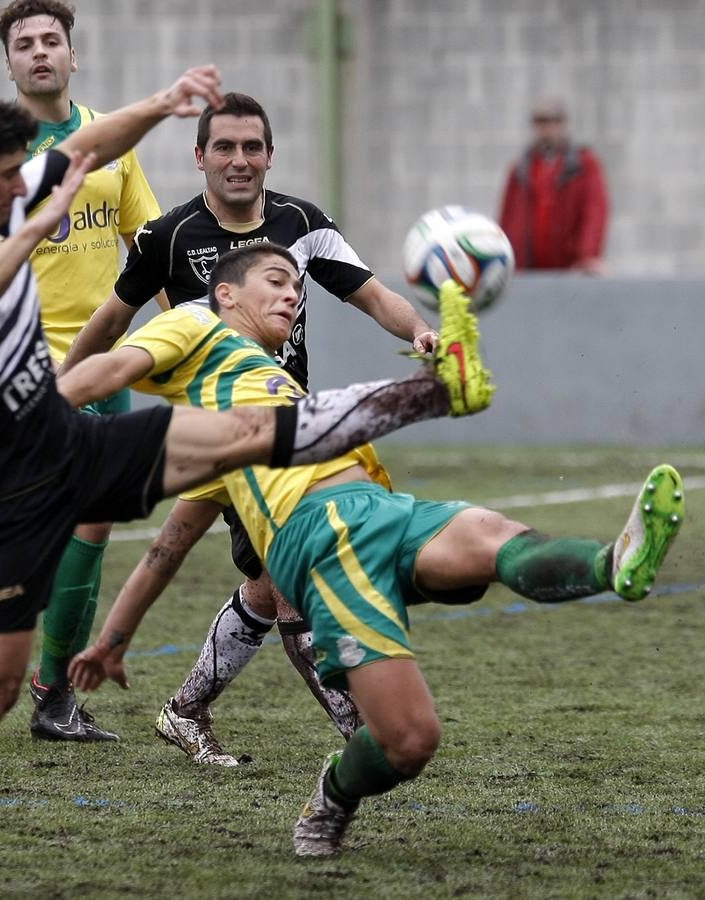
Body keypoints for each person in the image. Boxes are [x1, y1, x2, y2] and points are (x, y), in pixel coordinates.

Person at [0, 78, 494, 900]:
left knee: (246, 435)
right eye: (4, 176)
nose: (21, 185)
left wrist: (163, 104)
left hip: (73, 440)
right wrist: (30, 233)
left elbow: (86, 150)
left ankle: (438, 391)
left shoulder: (9, 192)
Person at [64, 245, 685, 857]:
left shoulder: (267, 387)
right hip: (320, 540)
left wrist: (111, 642)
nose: (292, 294)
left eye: (297, 288)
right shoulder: (195, 324)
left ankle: (614, 563)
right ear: (226, 294)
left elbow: (166, 549)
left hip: (379, 508)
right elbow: (116, 376)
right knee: (410, 741)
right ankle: (332, 796)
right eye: (276, 281)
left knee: (492, 535)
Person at [61, 92, 440, 765]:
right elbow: (113, 321)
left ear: (269, 155)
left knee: (255, 581)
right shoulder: (167, 236)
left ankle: (185, 709)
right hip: (222, 437)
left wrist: (420, 330)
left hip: (284, 429)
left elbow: (373, 294)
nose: (240, 161)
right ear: (200, 156)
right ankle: (370, 739)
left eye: (252, 148)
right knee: (293, 585)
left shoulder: (303, 221)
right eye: (226, 148)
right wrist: (62, 385)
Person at [0, 0, 167, 744]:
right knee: (65, 523)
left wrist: (202, 332)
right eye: (25, 43)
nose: (39, 52)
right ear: (9, 64)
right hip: (27, 365)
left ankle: (53, 692)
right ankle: (44, 689)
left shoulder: (113, 145)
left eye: (51, 40)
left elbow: (149, 245)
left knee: (93, 523)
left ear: (73, 56)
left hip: (103, 365)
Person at [497, 96, 610, 275]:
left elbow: (594, 211)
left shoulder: (584, 164)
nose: (546, 129)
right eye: (540, 122)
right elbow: (507, 216)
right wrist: (502, 257)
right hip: (527, 269)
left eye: (552, 122)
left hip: (570, 267)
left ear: (562, 124)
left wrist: (588, 255)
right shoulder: (521, 168)